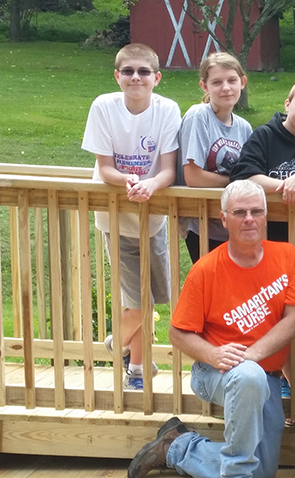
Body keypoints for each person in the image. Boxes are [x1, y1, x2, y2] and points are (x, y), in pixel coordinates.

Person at [127, 180, 295, 478]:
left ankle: (178, 446)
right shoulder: (206, 269)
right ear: (224, 219)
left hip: (267, 376)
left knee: (262, 472)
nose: (249, 219)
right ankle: (235, 473)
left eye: (256, 211)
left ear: (266, 217)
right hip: (214, 371)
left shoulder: (286, 256)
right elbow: (177, 333)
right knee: (248, 377)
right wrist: (213, 354)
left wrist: (251, 355)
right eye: (239, 212)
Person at [81, 43, 180, 390]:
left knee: (153, 298)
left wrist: (150, 184)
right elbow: (104, 167)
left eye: (143, 72)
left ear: (157, 77)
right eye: (128, 71)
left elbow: (168, 169)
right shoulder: (104, 106)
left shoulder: (167, 109)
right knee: (139, 303)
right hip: (116, 217)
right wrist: (128, 181)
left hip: (152, 216)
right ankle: (131, 364)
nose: (135, 78)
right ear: (117, 76)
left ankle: (124, 351)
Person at [230, 74, 295, 402]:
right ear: (287, 104)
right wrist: (286, 186)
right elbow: (244, 175)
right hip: (269, 248)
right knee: (280, 323)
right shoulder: (265, 135)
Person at [176, 51, 253, 263]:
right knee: (212, 290)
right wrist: (238, 183)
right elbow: (194, 177)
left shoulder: (244, 127)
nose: (226, 88)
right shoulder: (199, 116)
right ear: (204, 86)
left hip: (231, 224)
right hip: (202, 224)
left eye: (232, 80)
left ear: (242, 82)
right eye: (217, 82)